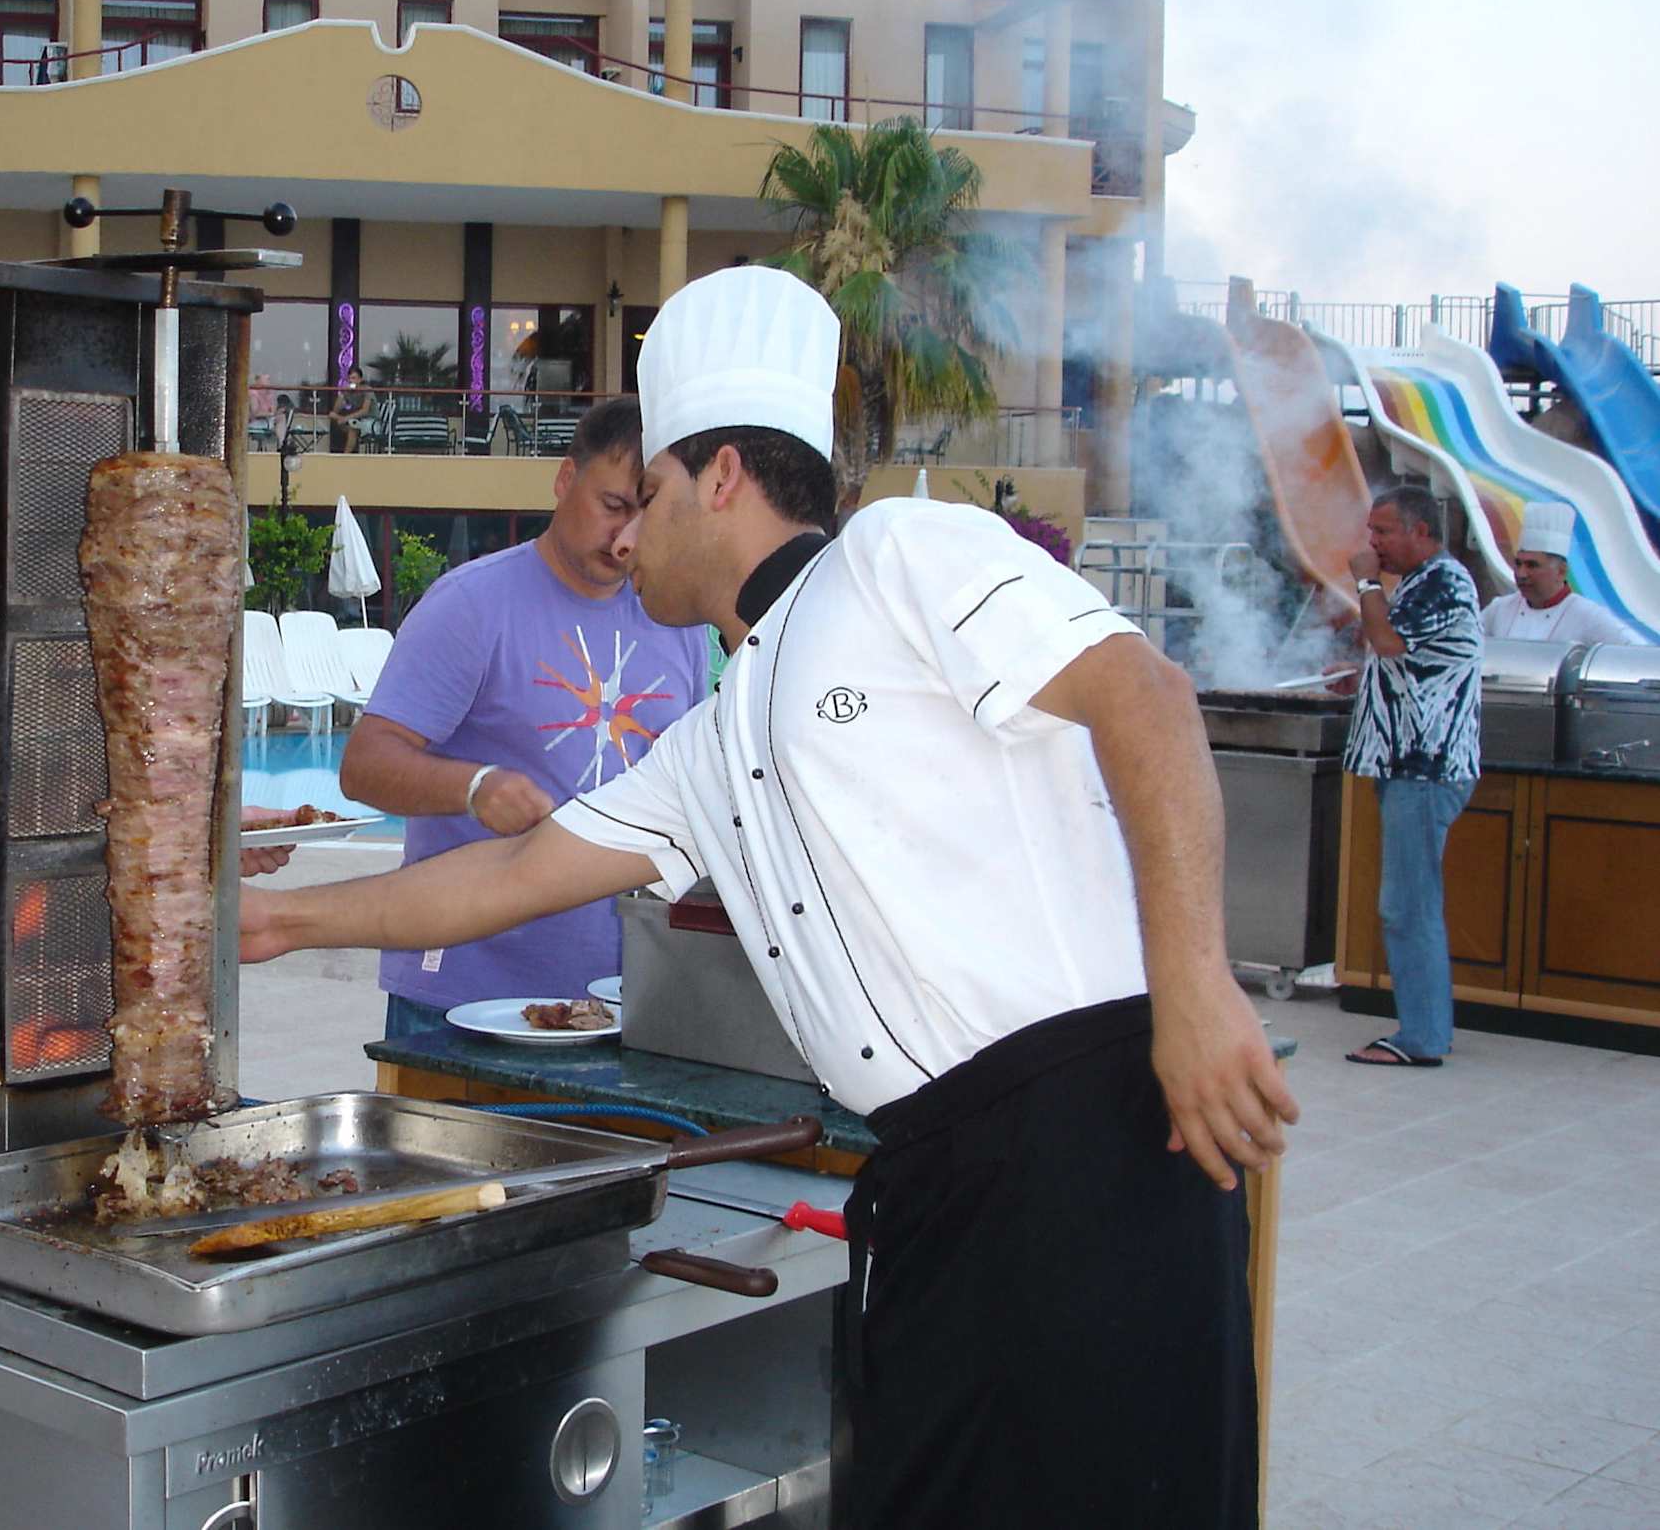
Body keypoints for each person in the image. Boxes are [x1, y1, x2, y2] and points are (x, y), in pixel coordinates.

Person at [246, 267, 1294, 1528]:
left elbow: (1144, 696)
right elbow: (516, 873)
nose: (627, 538)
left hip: (1089, 1148)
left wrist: (1195, 983)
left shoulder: (899, 554)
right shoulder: (716, 729)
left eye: (651, 496)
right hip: (934, 1177)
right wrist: (283, 920)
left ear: (724, 476)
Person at [339, 398, 707, 1035]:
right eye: (612, 505)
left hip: (626, 994)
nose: (625, 537)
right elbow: (364, 767)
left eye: (647, 514)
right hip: (461, 992)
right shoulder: (470, 606)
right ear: (565, 480)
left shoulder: (679, 622)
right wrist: (474, 786)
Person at [1342, 485, 1482, 1069]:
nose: (1372, 543)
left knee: (1409, 906)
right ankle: (1425, 1027)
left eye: (1383, 531)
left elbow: (1387, 640)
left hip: (1425, 767)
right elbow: (1402, 659)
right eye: (1371, 531)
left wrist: (1366, 583)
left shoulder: (1444, 582)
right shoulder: (1421, 585)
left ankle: (1422, 1037)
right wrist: (1361, 676)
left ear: (1420, 531)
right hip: (1404, 765)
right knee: (1409, 902)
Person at [1480, 500, 1646, 645]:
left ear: (1561, 571)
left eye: (1532, 565)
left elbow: (1635, 653)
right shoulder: (1499, 609)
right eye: (1518, 564)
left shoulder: (1588, 616)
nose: (1521, 574)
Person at [327, 367, 374, 453]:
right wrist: (342, 393)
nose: (351, 381)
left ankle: (345, 457)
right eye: (349, 378)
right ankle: (341, 451)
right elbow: (335, 410)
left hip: (371, 421)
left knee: (352, 429)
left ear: (360, 379)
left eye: (354, 378)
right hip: (358, 421)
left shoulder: (367, 390)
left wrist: (345, 418)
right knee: (334, 417)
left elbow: (365, 410)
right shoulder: (349, 391)